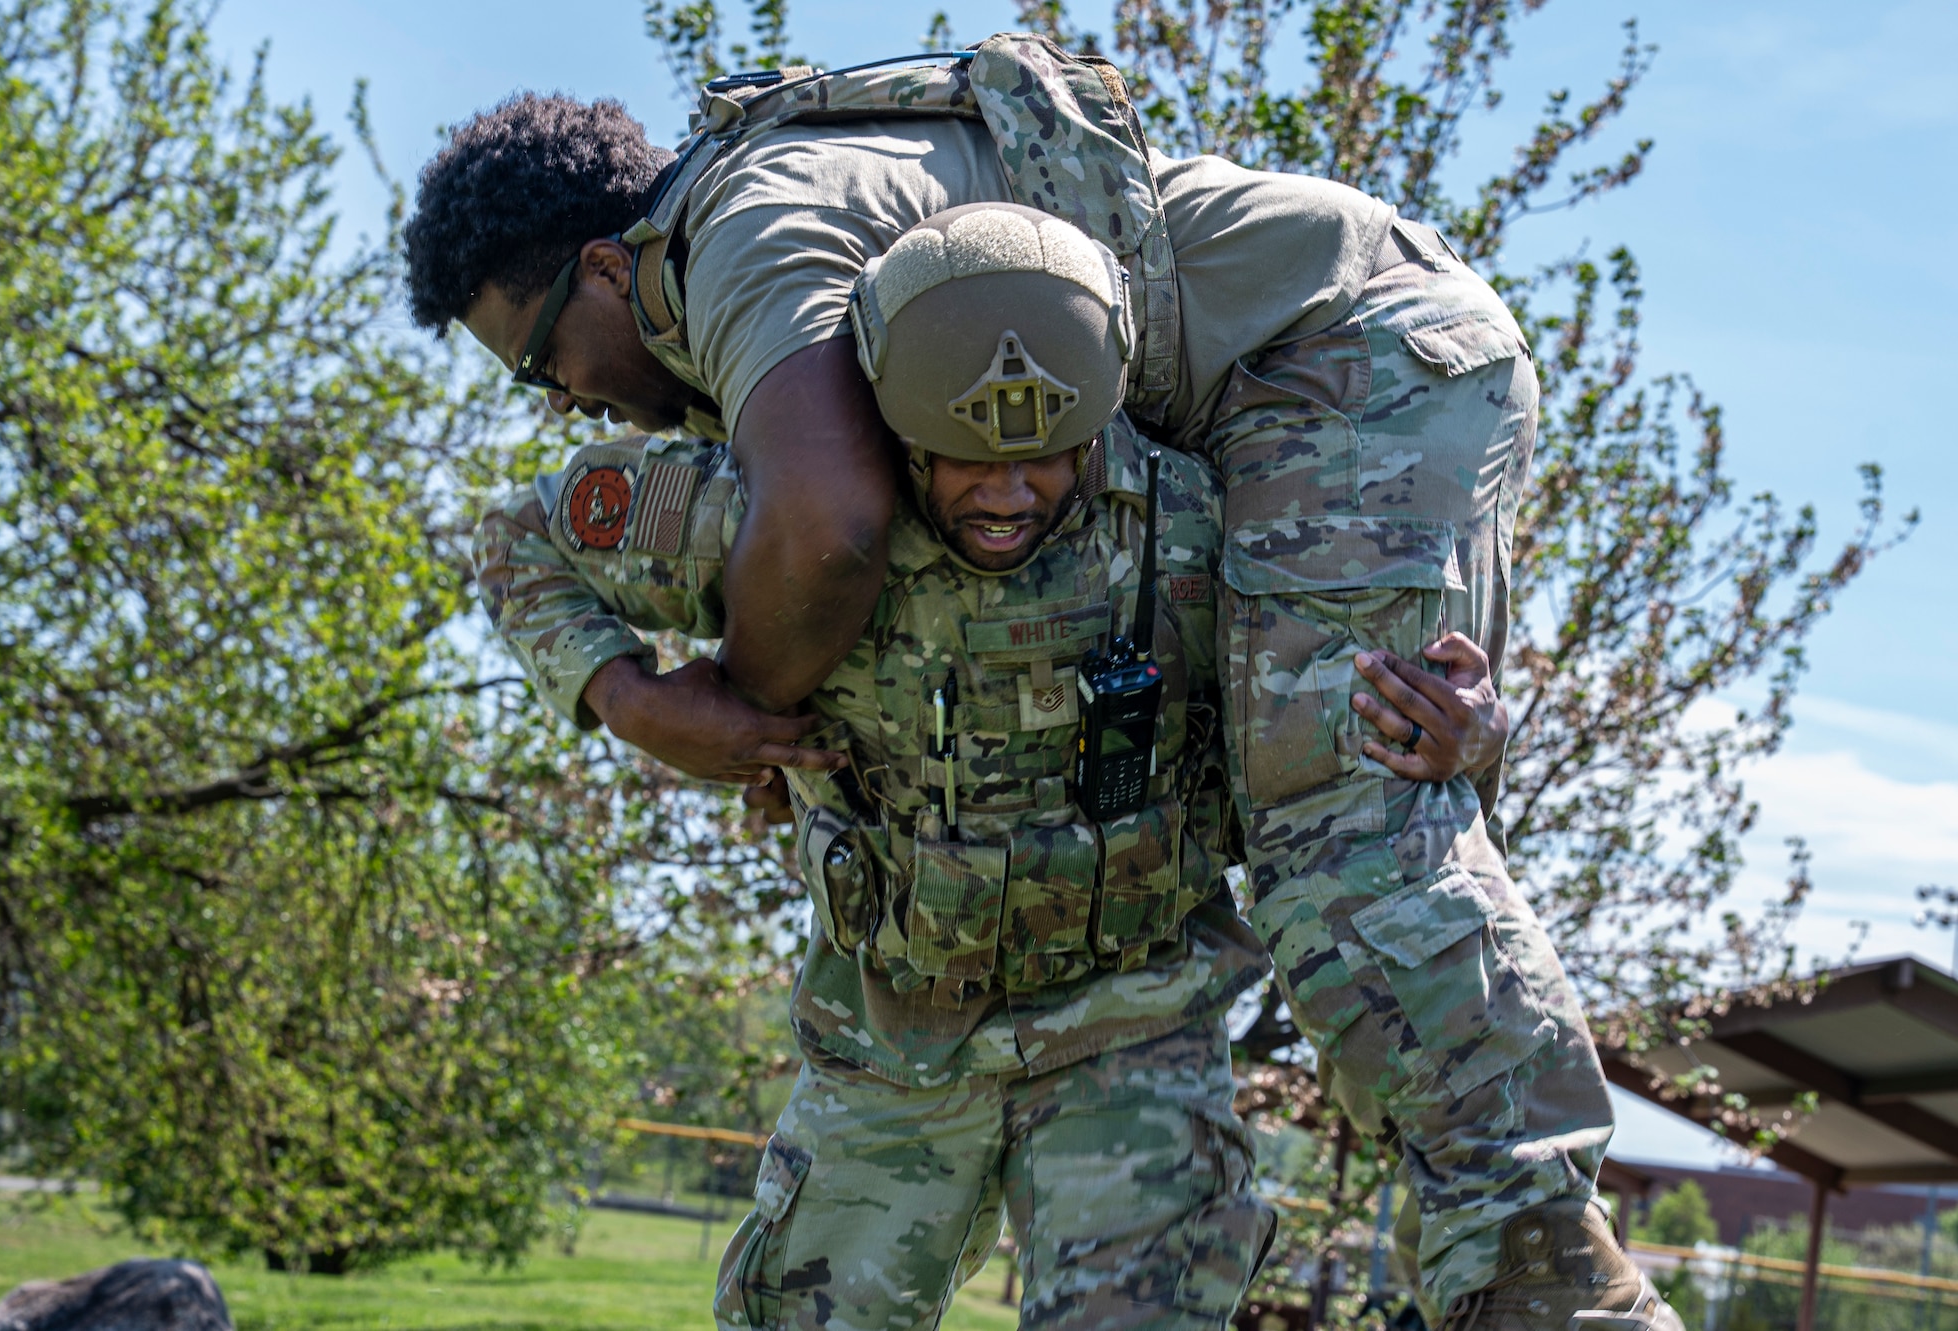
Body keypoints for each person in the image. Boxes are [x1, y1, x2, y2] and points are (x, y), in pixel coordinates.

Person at [409, 38, 1678, 1330]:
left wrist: (735, 717)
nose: (562, 402)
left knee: (1342, 803)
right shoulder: (781, 263)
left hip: (1335, 356)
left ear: (611, 268)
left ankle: (1546, 1276)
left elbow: (830, 528)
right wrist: (635, 695)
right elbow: (674, 531)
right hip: (1301, 374)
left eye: (541, 360)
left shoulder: (751, 234)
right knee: (1364, 757)